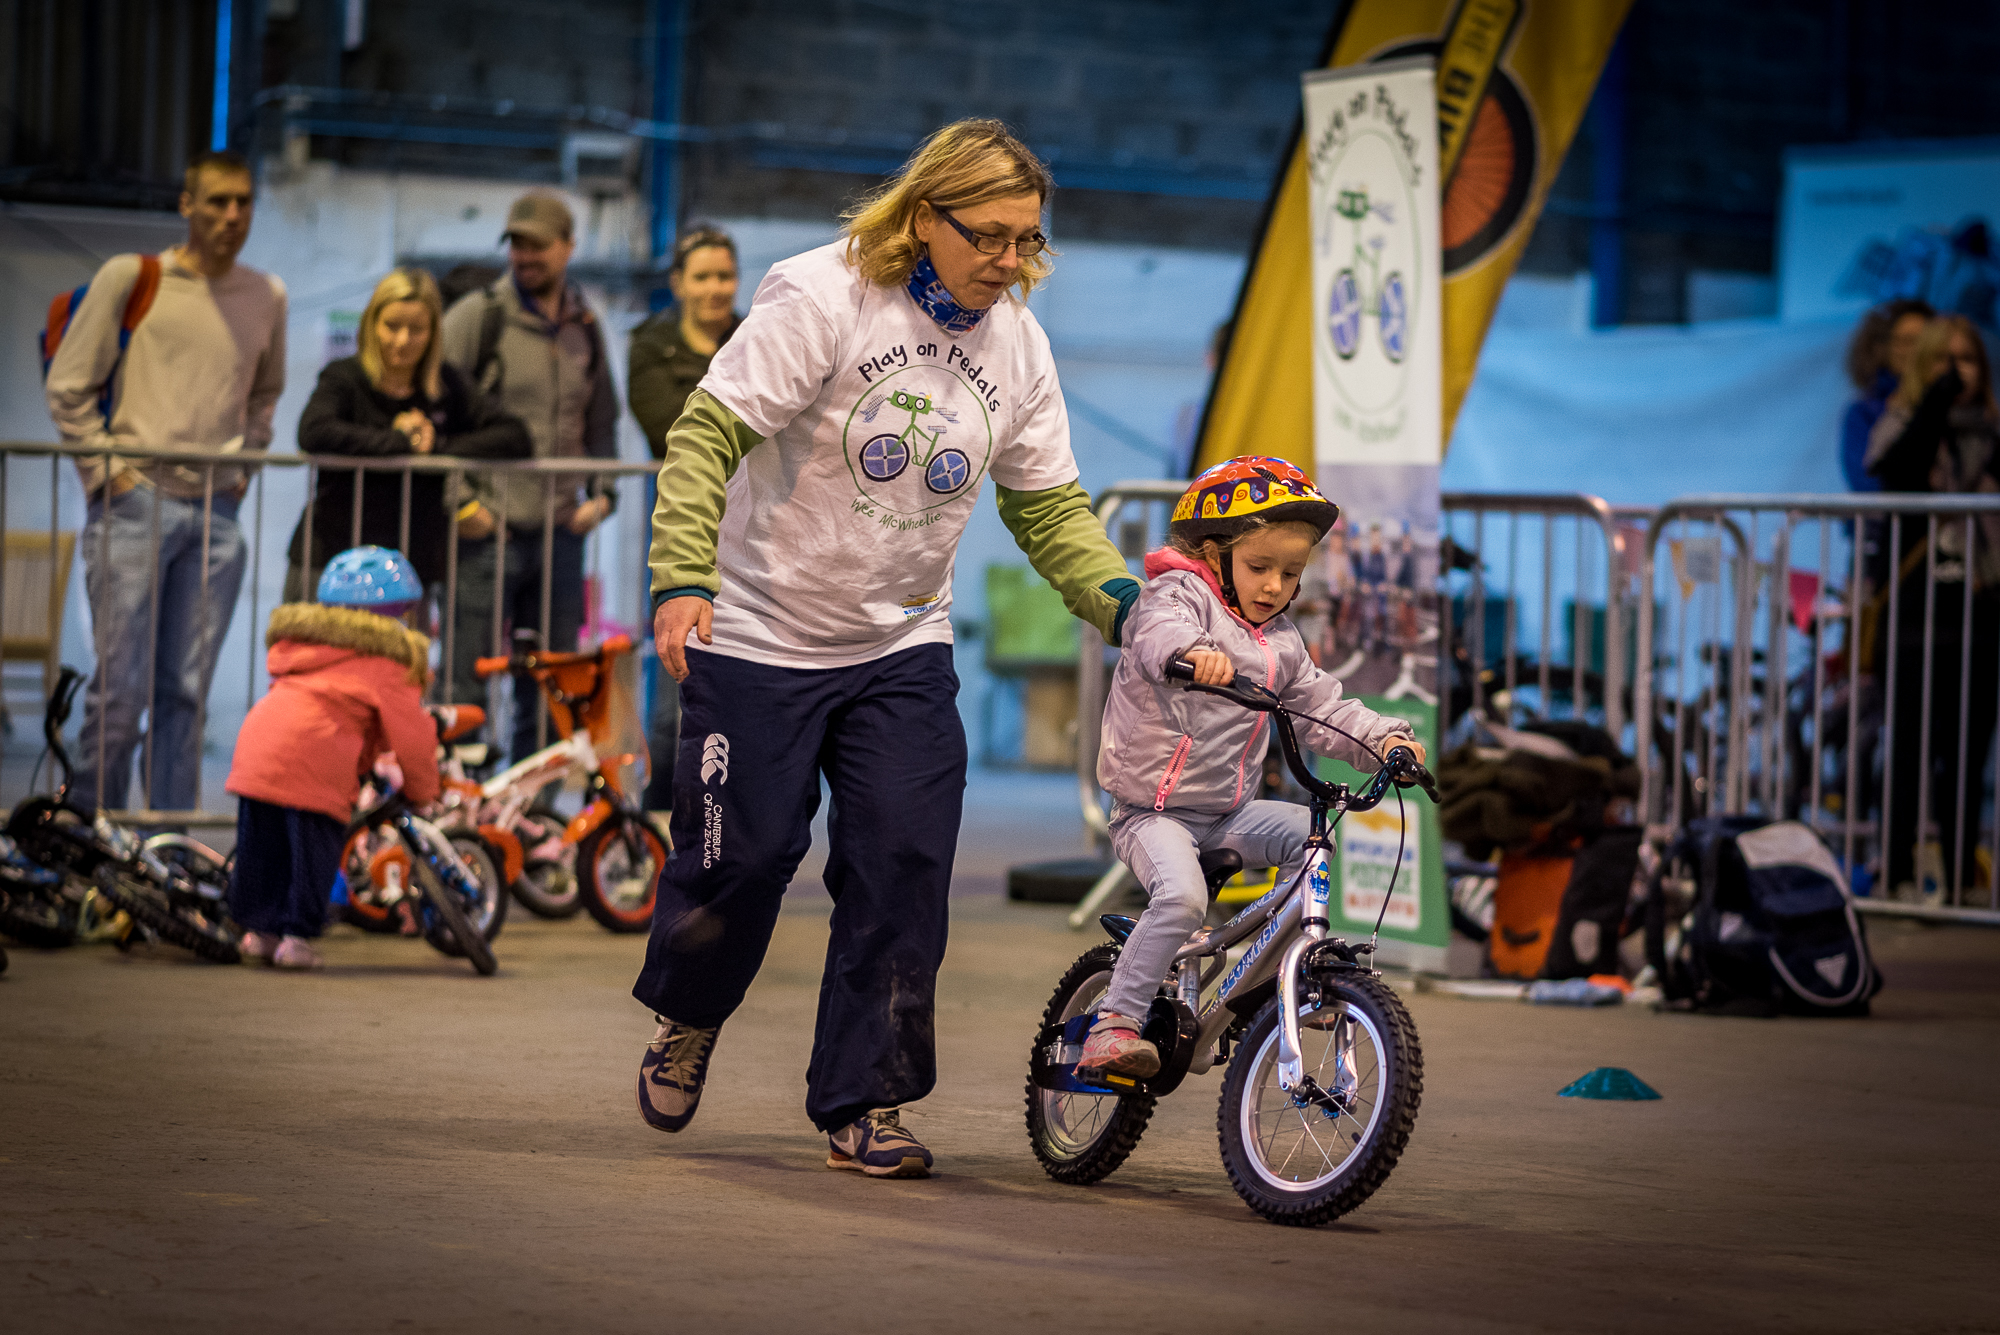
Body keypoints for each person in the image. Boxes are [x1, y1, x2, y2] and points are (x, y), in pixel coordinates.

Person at [632, 119, 1140, 1177]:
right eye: (990, 238)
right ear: (924, 219)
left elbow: (1051, 512)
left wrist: (1129, 608)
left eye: (1027, 242)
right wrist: (681, 574)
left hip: (901, 638)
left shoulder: (1018, 346)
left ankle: (865, 1100)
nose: (1010, 263)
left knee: (902, 868)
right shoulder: (820, 297)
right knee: (744, 862)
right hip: (760, 629)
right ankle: (688, 1012)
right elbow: (703, 436)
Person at [1080, 457, 1423, 1075]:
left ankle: (1269, 984)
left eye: (1290, 573)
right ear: (1214, 558)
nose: (1273, 586)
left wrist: (1386, 741)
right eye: (1259, 567)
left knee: (1313, 843)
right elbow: (1156, 630)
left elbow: (1324, 706)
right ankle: (1115, 1024)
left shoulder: (1282, 641)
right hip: (1152, 813)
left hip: (1227, 811)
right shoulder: (1178, 597)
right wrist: (1191, 654)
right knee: (1182, 900)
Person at [44, 149, 286, 814]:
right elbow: (68, 386)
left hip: (217, 514)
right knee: (120, 692)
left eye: (243, 202)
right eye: (217, 201)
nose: (232, 215)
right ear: (187, 205)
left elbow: (265, 396)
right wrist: (107, 475)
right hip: (134, 504)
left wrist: (241, 474)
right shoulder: (133, 276)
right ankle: (92, 839)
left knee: (184, 696)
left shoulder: (267, 295)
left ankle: (167, 852)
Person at [440, 190, 619, 762]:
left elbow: (603, 420)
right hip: (485, 536)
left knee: (549, 682)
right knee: (465, 679)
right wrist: (461, 502)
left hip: (561, 538)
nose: (524, 256)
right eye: (516, 244)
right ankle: (460, 815)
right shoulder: (478, 317)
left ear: (568, 248)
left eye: (538, 244)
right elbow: (435, 411)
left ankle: (531, 821)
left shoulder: (585, 326)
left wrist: (606, 497)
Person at [223, 548, 442, 970]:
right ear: (400, 614)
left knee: (262, 847)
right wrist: (423, 790)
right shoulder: (388, 658)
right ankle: (296, 939)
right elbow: (413, 737)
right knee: (313, 854)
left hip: (259, 746)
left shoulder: (306, 646)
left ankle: (259, 934)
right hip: (314, 758)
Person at [287, 268, 531, 604]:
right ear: (372, 325)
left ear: (433, 333)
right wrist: (400, 442)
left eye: (416, 329)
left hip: (407, 564)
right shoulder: (345, 376)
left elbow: (514, 436)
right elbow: (313, 431)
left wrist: (438, 448)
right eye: (391, 326)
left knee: (401, 657)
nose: (402, 340)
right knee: (312, 655)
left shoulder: (447, 384)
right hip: (332, 553)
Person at [1866, 314, 2000, 900]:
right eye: (1942, 360)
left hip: (1980, 605)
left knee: (1966, 753)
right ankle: (1895, 875)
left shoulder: (1994, 431)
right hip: (1916, 609)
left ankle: (1958, 883)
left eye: (1966, 360)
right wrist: (1936, 401)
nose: (1956, 371)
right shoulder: (1904, 423)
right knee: (1908, 747)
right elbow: (1895, 471)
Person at [627, 226, 743, 811]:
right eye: (702, 276)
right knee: (675, 658)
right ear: (678, 283)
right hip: (679, 526)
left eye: (724, 275)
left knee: (742, 659)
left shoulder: (758, 335)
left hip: (754, 524)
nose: (715, 288)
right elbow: (669, 431)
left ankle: (728, 794)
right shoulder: (650, 344)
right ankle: (668, 789)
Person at [1841, 298, 1934, 493]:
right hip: (1885, 523)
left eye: (1925, 341)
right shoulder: (1863, 413)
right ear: (1883, 348)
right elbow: (1866, 483)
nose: (1915, 350)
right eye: (1905, 341)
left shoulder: (1954, 407)